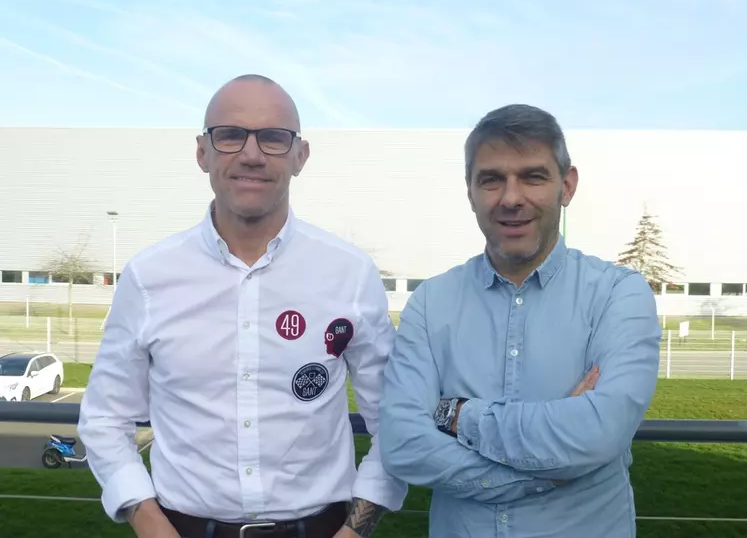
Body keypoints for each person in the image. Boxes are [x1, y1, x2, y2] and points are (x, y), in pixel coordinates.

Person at [78, 74, 407, 538]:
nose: (251, 154)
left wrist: (355, 531)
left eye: (273, 138)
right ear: (202, 152)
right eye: (230, 135)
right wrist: (150, 522)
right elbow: (104, 419)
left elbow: (395, 421)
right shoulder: (148, 276)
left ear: (300, 156)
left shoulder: (350, 273)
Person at [378, 104, 661, 537]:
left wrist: (457, 415)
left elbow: (599, 433)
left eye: (533, 176)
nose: (511, 198)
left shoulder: (617, 293)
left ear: (567, 186)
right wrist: (545, 474)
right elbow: (403, 445)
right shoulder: (431, 302)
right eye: (491, 179)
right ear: (470, 191)